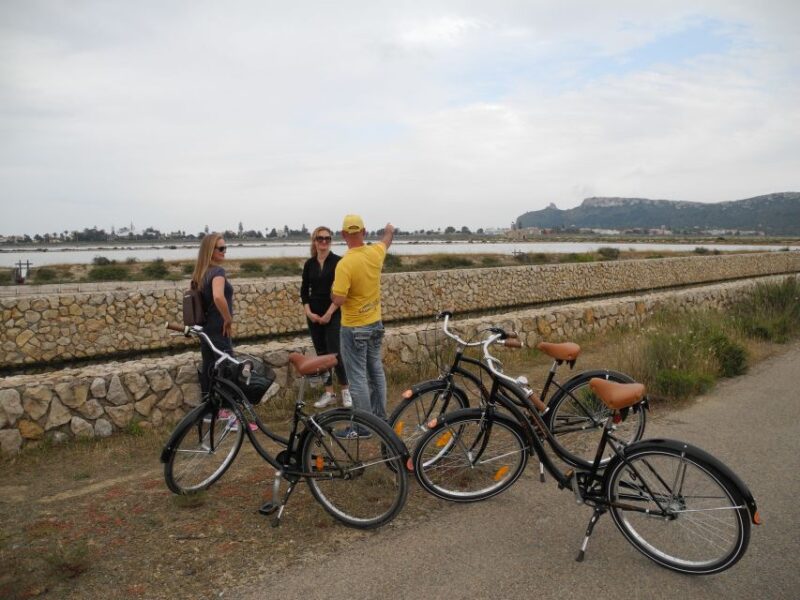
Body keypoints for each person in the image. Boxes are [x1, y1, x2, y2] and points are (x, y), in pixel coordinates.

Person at [331, 215, 395, 436]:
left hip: (354, 328)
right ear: (364, 232)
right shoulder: (375, 253)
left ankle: (363, 427)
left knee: (357, 377)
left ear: (343, 235)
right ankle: (380, 418)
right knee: (375, 371)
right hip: (375, 323)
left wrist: (332, 293)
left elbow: (338, 299)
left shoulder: (345, 263)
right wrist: (388, 229)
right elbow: (386, 240)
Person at [300, 226, 352, 408]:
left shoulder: (339, 262)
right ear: (314, 241)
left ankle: (346, 390)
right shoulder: (309, 264)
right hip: (313, 315)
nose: (324, 242)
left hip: (334, 313)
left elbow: (342, 291)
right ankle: (329, 392)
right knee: (321, 355)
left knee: (335, 352)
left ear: (331, 241)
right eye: (320, 238)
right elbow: (304, 292)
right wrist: (309, 313)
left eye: (327, 239)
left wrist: (329, 313)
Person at [192, 232, 234, 397]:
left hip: (205, 329)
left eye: (226, 248)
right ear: (211, 250)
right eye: (221, 248)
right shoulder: (217, 272)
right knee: (228, 368)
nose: (225, 251)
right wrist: (228, 319)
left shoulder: (201, 274)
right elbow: (218, 296)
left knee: (210, 367)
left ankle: (209, 411)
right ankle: (230, 414)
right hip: (219, 328)